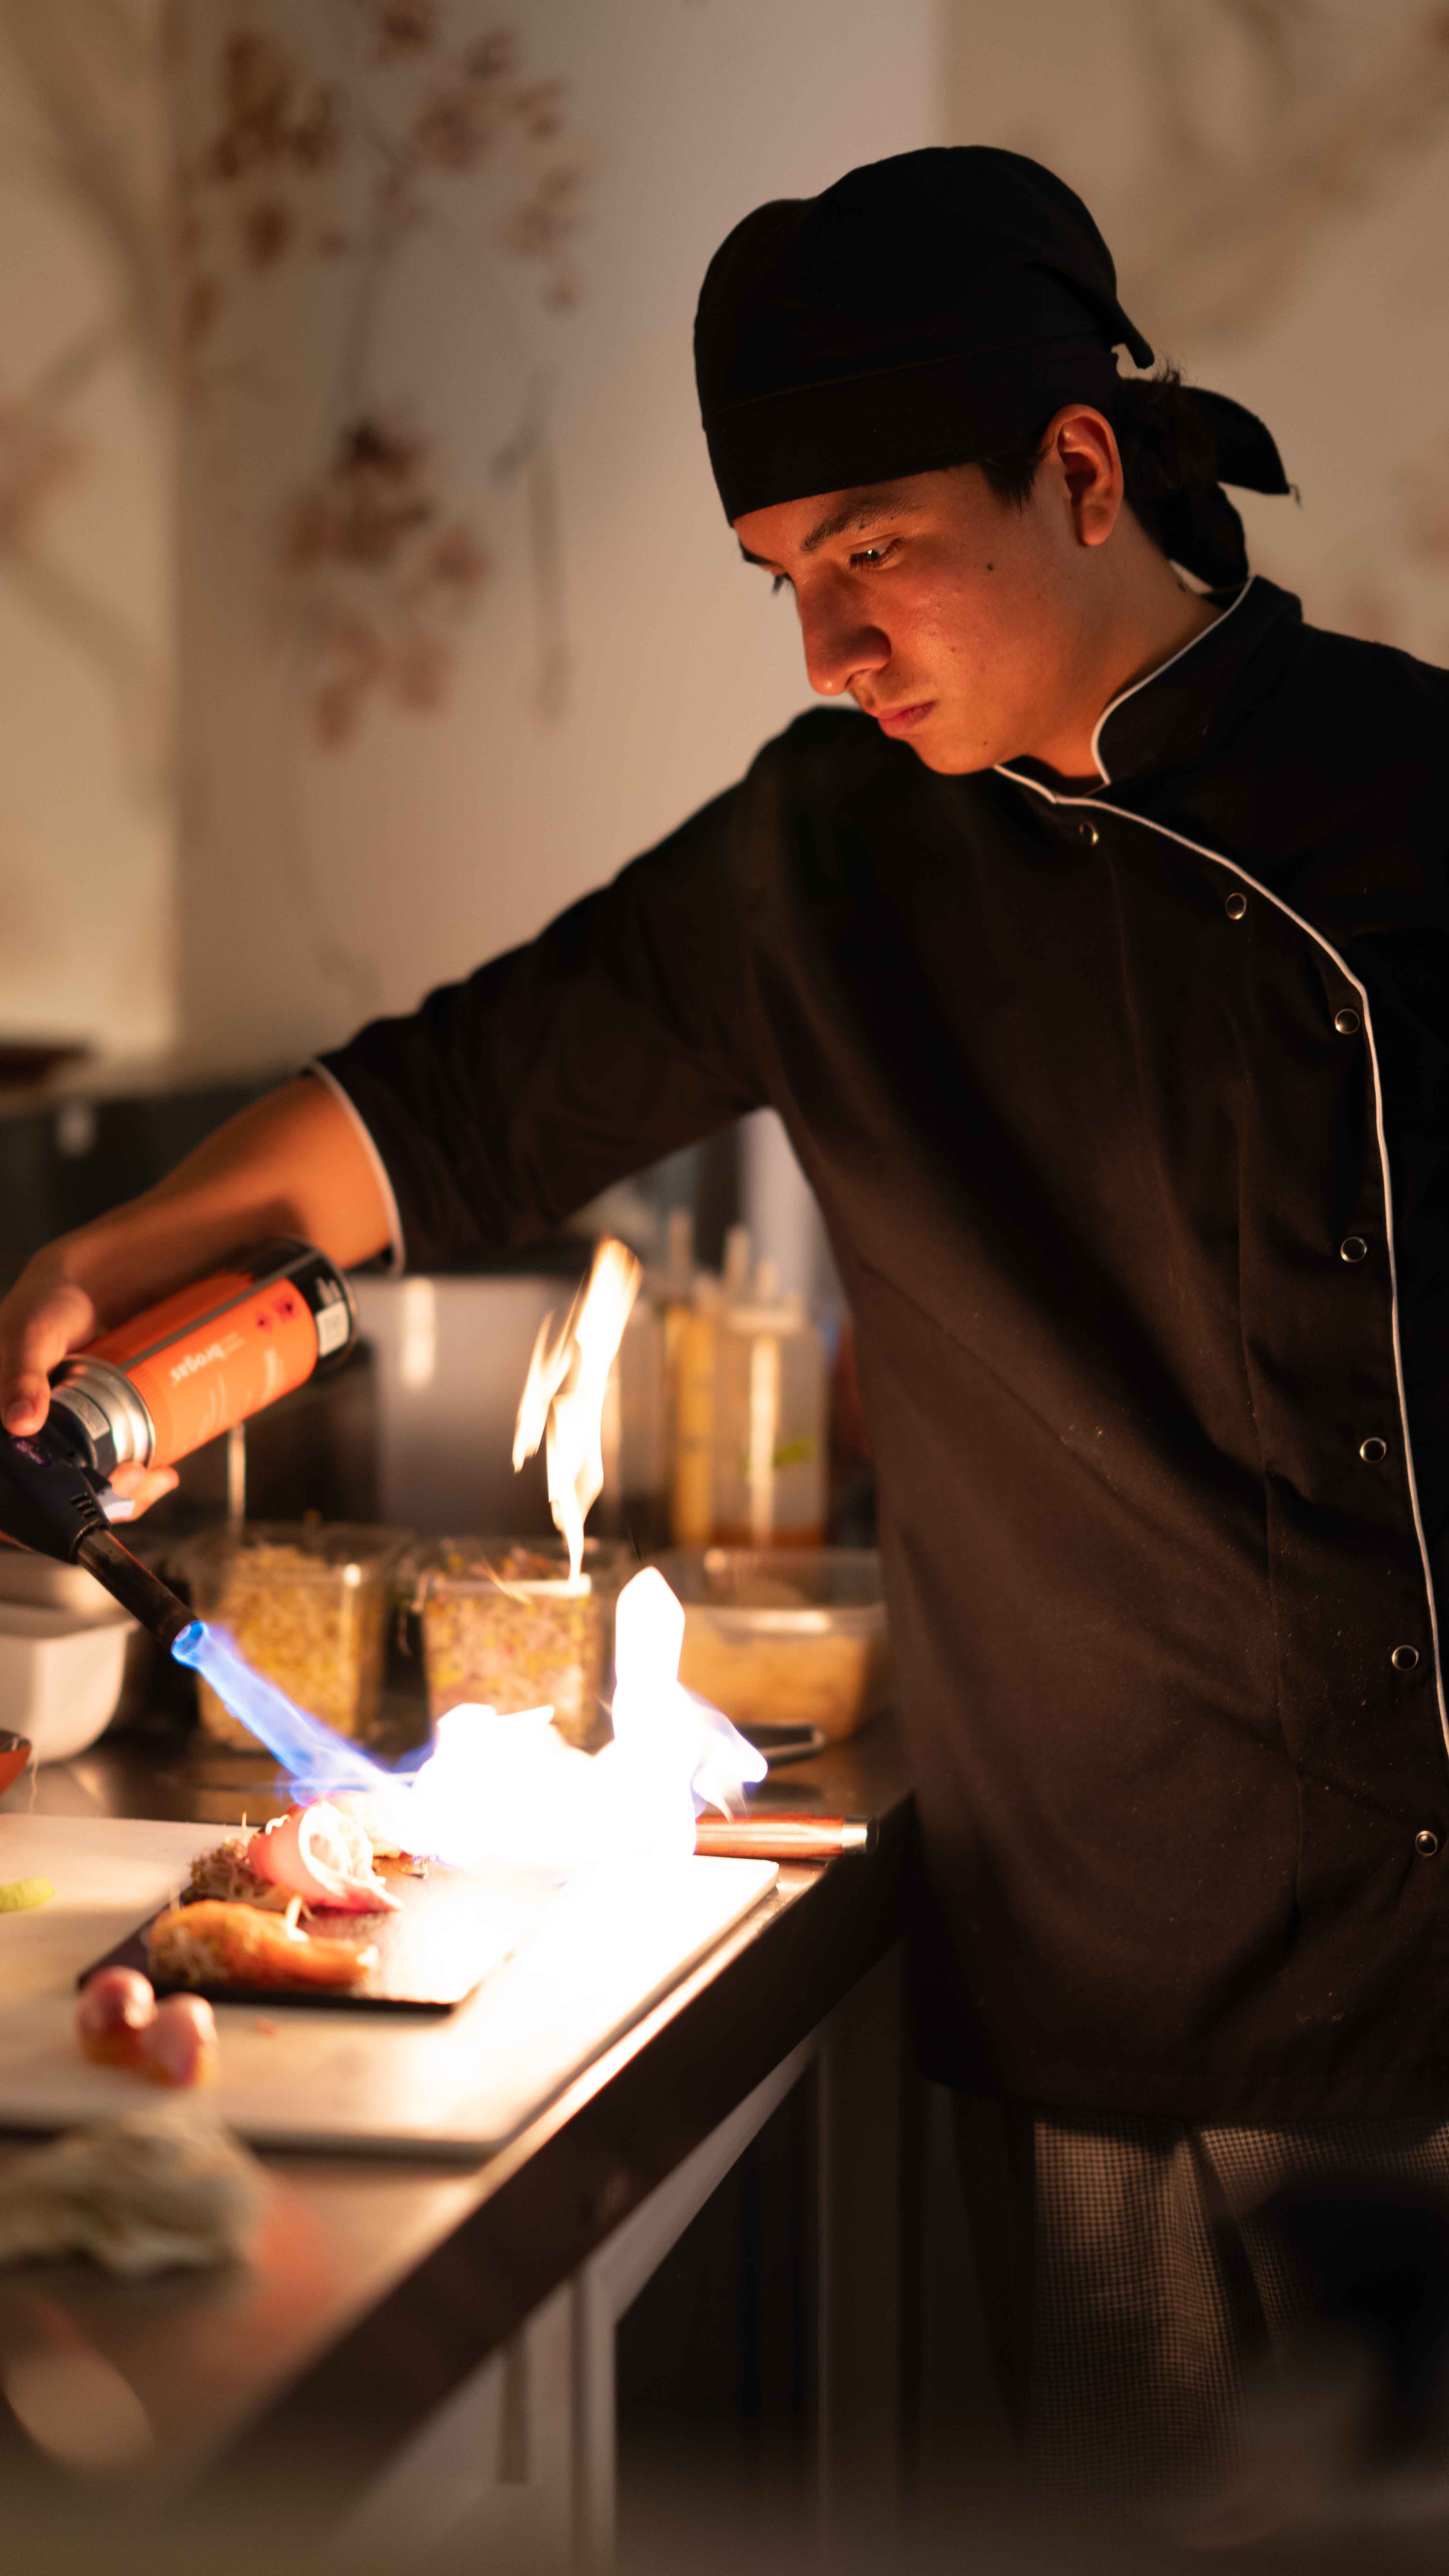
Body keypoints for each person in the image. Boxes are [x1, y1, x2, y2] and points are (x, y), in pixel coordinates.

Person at [4, 147, 1448, 2499]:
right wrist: (101, 1268)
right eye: (784, 578)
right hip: (1094, 1973)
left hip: (1425, 1978)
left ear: (1080, 469)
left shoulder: (1411, 798)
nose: (827, 649)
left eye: (871, 550)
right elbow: (439, 1112)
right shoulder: (829, 853)